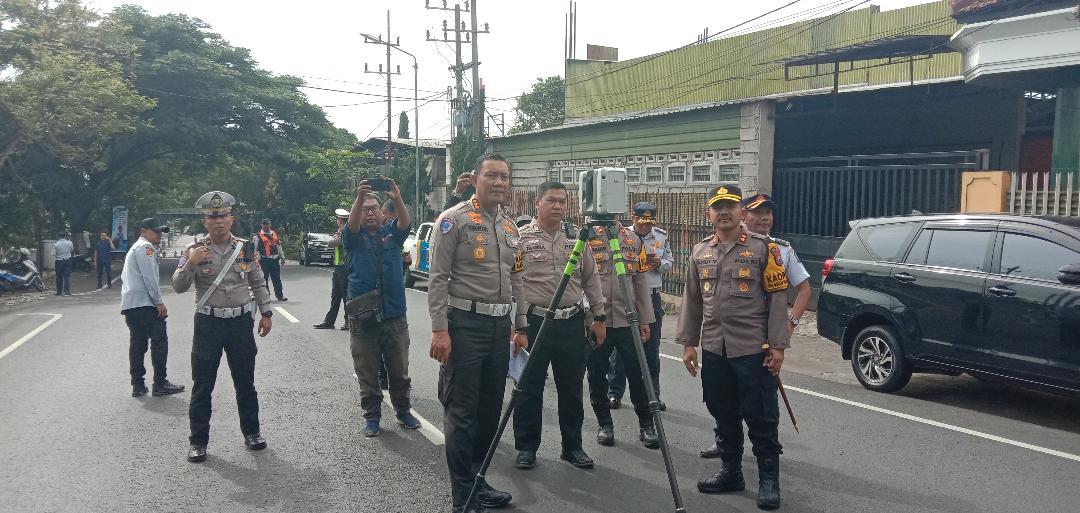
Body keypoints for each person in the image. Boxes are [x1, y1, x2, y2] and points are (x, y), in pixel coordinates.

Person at [676, 184, 790, 510]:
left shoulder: (764, 249)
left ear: (742, 211)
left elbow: (777, 300)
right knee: (722, 411)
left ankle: (769, 480)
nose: (723, 212)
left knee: (761, 416)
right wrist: (688, 344)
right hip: (714, 348)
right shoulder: (700, 252)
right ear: (708, 213)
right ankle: (731, 471)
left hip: (753, 349)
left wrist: (778, 346)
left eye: (730, 205)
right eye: (717, 206)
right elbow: (692, 301)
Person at [428, 154, 521, 513]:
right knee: (462, 412)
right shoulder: (454, 221)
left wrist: (522, 324)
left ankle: (478, 482)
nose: (499, 182)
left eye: (504, 177)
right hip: (464, 326)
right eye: (492, 176)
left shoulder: (511, 227)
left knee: (489, 412)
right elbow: (438, 279)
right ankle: (462, 496)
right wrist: (440, 330)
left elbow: (517, 278)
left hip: (500, 327)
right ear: (476, 179)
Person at [700, 193, 811, 460]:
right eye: (758, 213)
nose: (764, 218)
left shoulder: (777, 249)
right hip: (722, 339)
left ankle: (766, 456)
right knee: (723, 399)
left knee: (760, 404)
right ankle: (727, 444)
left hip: (758, 339)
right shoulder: (711, 247)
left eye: (768, 213)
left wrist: (787, 328)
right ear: (744, 216)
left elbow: (801, 290)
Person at [510, 181, 607, 471]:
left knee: (571, 388)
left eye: (563, 201)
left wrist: (599, 318)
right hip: (535, 322)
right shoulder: (521, 238)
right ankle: (527, 447)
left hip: (571, 323)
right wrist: (517, 327)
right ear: (536, 203)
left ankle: (572, 447)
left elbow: (591, 279)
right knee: (528, 387)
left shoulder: (577, 238)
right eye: (551, 200)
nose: (558, 206)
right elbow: (512, 283)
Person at [173, 191, 274, 464]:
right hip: (208, 323)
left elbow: (257, 281)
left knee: (245, 382)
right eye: (212, 217)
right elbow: (179, 286)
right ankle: (198, 441)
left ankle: (252, 433)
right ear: (204, 221)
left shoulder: (245, 249)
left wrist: (266, 312)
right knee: (203, 385)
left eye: (223, 216)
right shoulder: (193, 250)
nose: (218, 221)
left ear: (231, 219)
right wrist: (191, 265)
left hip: (240, 323)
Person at [343, 179, 421, 437]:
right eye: (365, 209)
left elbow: (405, 223)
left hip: (394, 314)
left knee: (399, 370)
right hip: (363, 317)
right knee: (367, 371)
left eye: (374, 208)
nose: (370, 212)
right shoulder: (352, 237)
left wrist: (397, 197)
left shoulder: (392, 234)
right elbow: (352, 225)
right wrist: (358, 199)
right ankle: (372, 417)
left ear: (381, 211)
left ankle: (403, 411)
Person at [584, 218, 658, 450]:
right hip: (599, 321)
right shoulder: (585, 237)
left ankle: (647, 424)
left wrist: (645, 319)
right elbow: (580, 280)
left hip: (628, 320)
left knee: (638, 373)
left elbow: (639, 281)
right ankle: (605, 424)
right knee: (597, 374)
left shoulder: (632, 239)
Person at [607, 202, 672, 411]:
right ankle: (614, 393)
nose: (645, 227)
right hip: (625, 298)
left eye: (649, 223)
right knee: (620, 350)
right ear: (633, 218)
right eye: (641, 222)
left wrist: (658, 264)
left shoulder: (660, 237)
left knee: (651, 350)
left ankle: (653, 394)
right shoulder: (622, 236)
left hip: (651, 298)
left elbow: (670, 263)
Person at [120, 218, 185, 398]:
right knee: (159, 341)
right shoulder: (145, 248)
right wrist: (158, 302)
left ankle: (138, 384)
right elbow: (149, 277)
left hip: (132, 303)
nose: (159, 234)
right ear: (143, 231)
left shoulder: (135, 248)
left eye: (160, 231)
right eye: (156, 231)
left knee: (138, 343)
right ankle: (160, 382)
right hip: (145, 303)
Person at [314, 209, 351, 330]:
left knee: (346, 296)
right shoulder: (340, 231)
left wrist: (334, 239)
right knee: (335, 296)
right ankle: (329, 321)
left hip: (344, 267)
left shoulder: (346, 231)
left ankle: (348, 322)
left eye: (338, 219)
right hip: (338, 267)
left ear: (340, 220)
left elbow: (333, 243)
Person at [255, 218, 287, 301]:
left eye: (268, 224)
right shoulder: (258, 236)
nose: (266, 225)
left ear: (270, 224)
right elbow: (255, 249)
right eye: (264, 224)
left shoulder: (274, 234)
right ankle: (266, 296)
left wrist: (282, 257)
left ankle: (280, 296)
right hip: (264, 260)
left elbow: (279, 246)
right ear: (261, 225)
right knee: (264, 279)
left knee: (276, 278)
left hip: (274, 260)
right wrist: (256, 259)